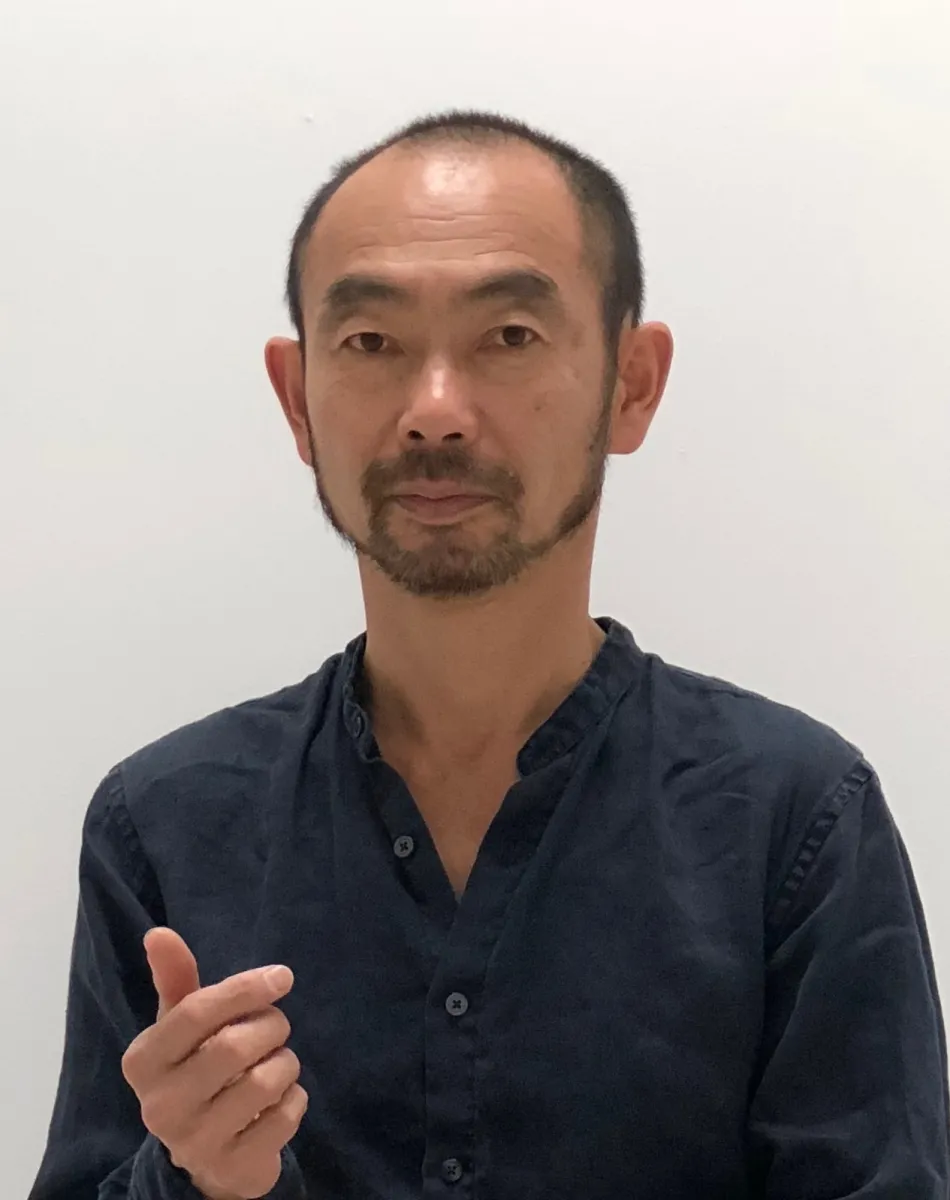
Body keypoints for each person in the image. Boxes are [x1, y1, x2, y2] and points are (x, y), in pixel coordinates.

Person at [29, 110, 949, 1200]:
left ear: (630, 382)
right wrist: (188, 1179)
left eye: (508, 336)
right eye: (370, 342)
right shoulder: (162, 824)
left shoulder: (795, 820)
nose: (432, 412)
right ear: (296, 398)